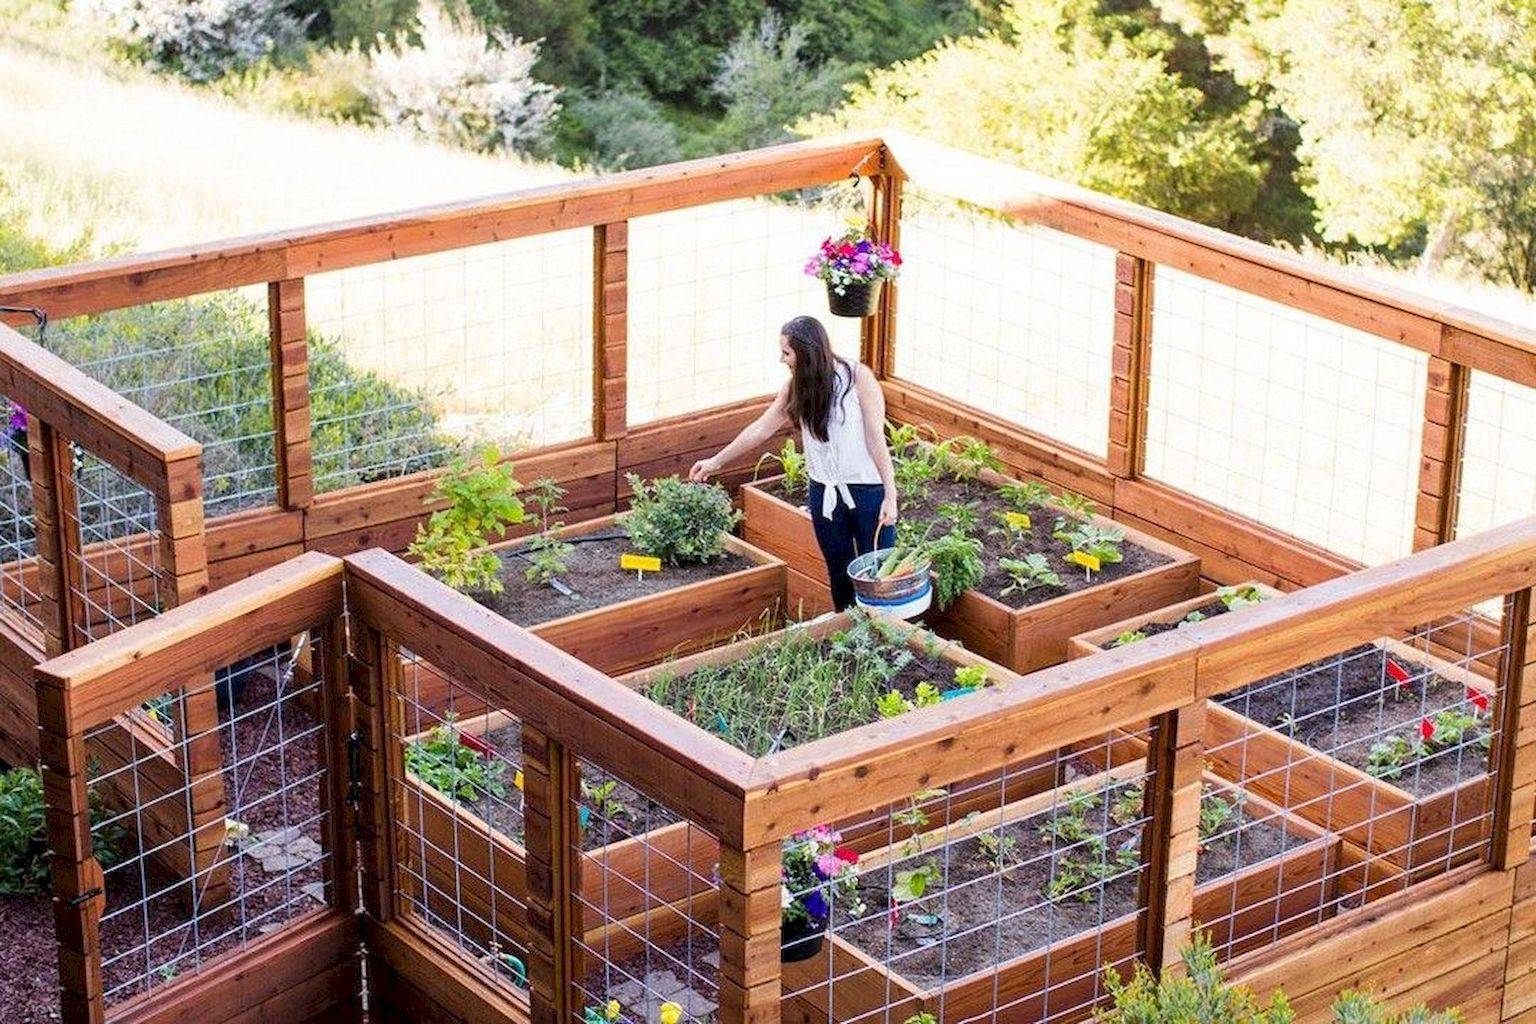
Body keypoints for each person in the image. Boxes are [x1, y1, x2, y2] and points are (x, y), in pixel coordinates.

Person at [690, 315, 898, 611]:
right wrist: (715, 462)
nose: (781, 359)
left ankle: (887, 643)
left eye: (786, 352)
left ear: (807, 351)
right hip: (824, 494)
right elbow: (760, 429)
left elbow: (876, 438)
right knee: (839, 573)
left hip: (867, 491)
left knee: (878, 572)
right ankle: (850, 639)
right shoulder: (795, 389)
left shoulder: (857, 377)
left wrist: (890, 494)